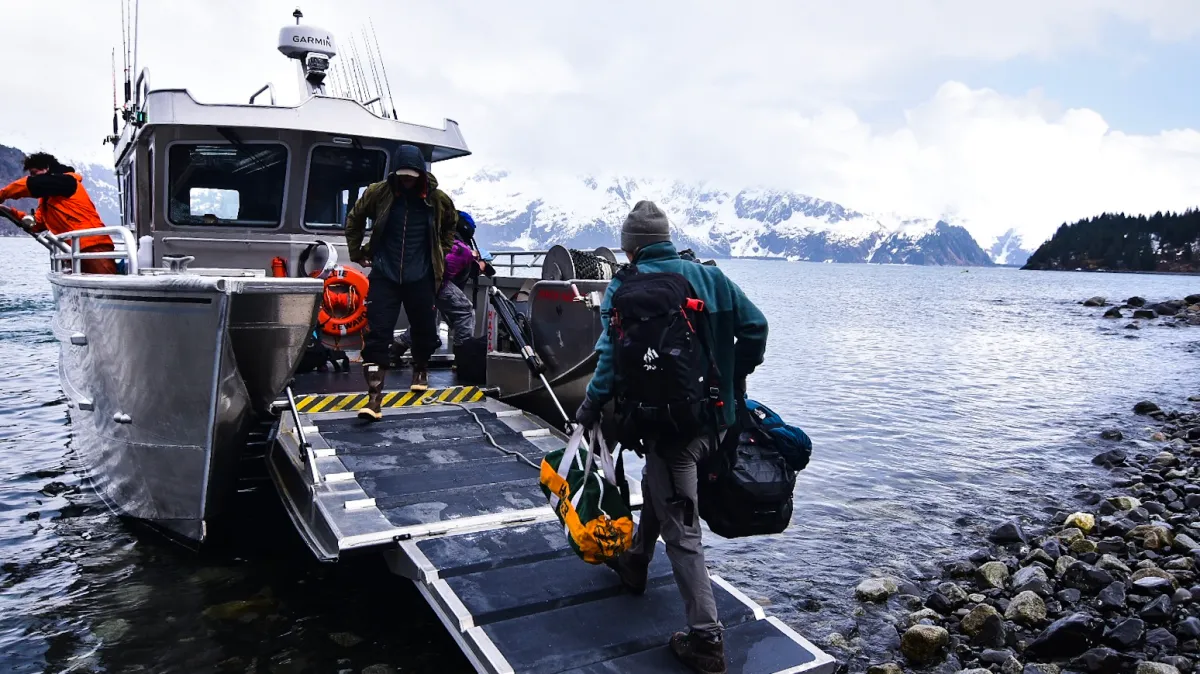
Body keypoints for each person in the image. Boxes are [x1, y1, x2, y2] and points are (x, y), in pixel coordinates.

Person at [575, 200, 768, 674]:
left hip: (669, 428)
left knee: (683, 530)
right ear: (665, 237)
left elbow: (607, 359)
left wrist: (590, 407)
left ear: (630, 247)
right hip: (719, 421)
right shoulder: (711, 277)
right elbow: (756, 327)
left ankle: (706, 640)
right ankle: (638, 562)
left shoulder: (624, 286)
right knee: (663, 489)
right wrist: (733, 377)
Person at [344, 144, 459, 419]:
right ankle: (374, 400)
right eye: (402, 174)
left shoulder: (438, 199)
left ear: (420, 173)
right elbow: (355, 219)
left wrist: (440, 252)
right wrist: (357, 253)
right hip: (385, 272)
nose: (407, 179)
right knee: (376, 333)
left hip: (421, 275)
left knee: (425, 330)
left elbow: (450, 226)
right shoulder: (378, 193)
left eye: (412, 175)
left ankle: (420, 368)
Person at [392, 210, 494, 360]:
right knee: (465, 311)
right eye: (485, 267)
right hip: (430, 281)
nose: (482, 273)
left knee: (427, 320)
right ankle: (464, 356)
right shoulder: (462, 252)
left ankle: (396, 349)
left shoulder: (454, 247)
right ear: (478, 257)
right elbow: (439, 272)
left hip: (421, 281)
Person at [0, 153, 116, 274]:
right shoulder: (47, 197)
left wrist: (2, 195)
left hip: (94, 246)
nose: (33, 177)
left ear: (47, 168)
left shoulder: (66, 181)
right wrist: (6, 211)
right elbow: (37, 223)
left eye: (34, 173)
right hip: (73, 251)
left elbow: (29, 184)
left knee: (108, 281)